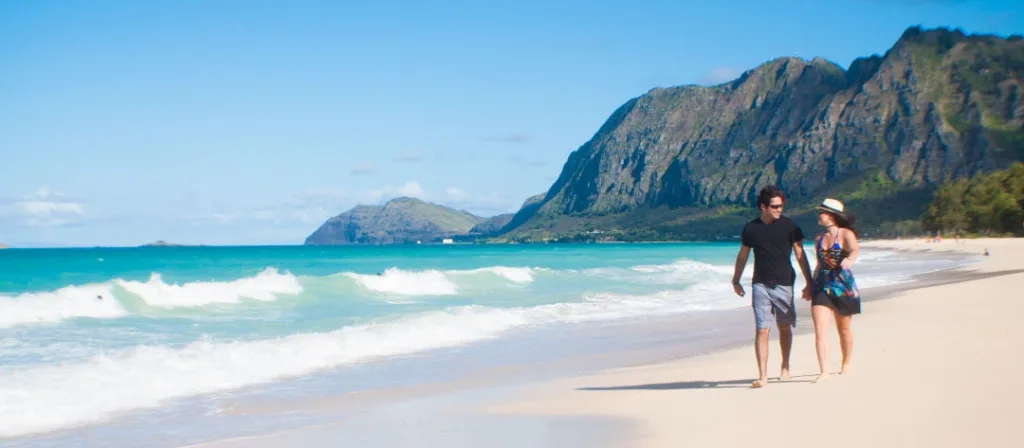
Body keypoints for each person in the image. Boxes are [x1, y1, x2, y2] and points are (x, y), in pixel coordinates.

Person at [732, 186, 814, 388]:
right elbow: (743, 256)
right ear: (763, 206)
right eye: (775, 206)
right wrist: (736, 280)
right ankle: (763, 376)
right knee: (762, 329)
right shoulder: (751, 228)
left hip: (785, 282)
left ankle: (785, 366)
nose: (779, 210)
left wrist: (809, 282)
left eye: (781, 206)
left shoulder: (790, 227)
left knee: (784, 327)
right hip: (760, 283)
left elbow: (800, 255)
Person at [810, 198, 861, 383]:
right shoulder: (819, 239)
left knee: (844, 329)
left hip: (843, 287)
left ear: (830, 215)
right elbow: (819, 265)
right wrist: (810, 285)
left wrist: (850, 259)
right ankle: (824, 371)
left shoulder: (845, 233)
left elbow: (855, 250)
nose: (819, 215)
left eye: (821, 212)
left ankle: (846, 362)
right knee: (820, 331)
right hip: (822, 287)